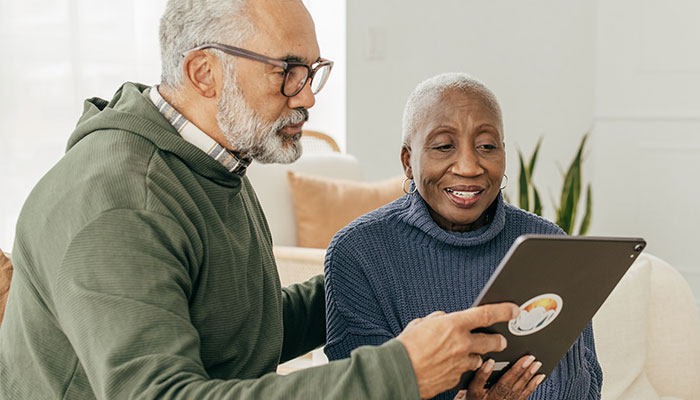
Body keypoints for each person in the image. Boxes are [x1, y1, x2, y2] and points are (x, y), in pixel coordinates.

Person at [0, 2, 521, 399]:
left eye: (313, 71)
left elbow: (246, 333)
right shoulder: (120, 200)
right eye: (288, 70)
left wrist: (381, 269)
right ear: (204, 72)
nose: (308, 95)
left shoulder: (212, 164)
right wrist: (400, 371)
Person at [324, 73, 603, 400]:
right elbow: (359, 393)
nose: (469, 167)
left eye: (487, 146)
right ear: (407, 161)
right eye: (444, 146)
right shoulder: (359, 253)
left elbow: (588, 386)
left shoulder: (549, 243)